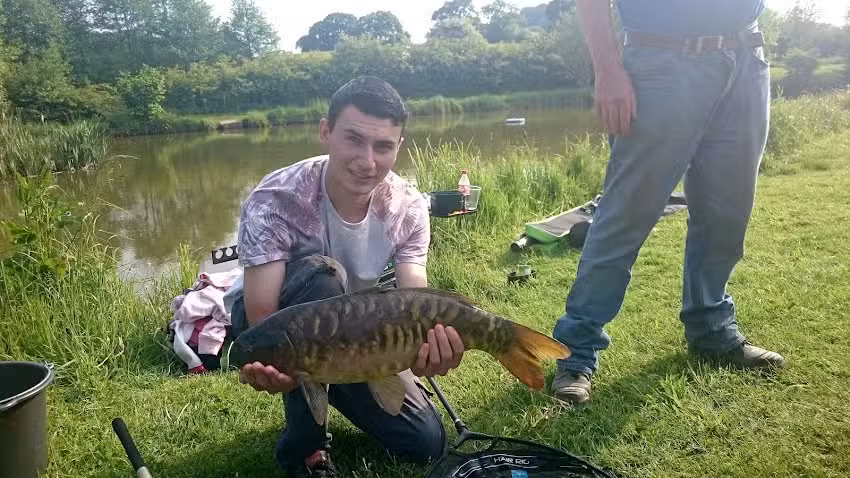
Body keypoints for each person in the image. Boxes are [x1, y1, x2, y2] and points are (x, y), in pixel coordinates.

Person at [222, 76, 465, 477]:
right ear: (326, 132)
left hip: (359, 331)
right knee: (324, 275)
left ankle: (335, 382)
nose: (367, 161)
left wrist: (426, 346)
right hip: (271, 323)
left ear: (398, 146)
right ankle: (307, 449)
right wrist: (275, 367)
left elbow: (415, 305)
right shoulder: (275, 199)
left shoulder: (409, 207)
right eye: (353, 139)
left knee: (426, 442)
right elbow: (263, 314)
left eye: (383, 146)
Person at [550, 0, 786, 406]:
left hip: (747, 58)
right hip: (661, 62)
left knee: (726, 214)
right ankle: (576, 351)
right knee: (625, 215)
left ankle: (711, 328)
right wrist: (608, 70)